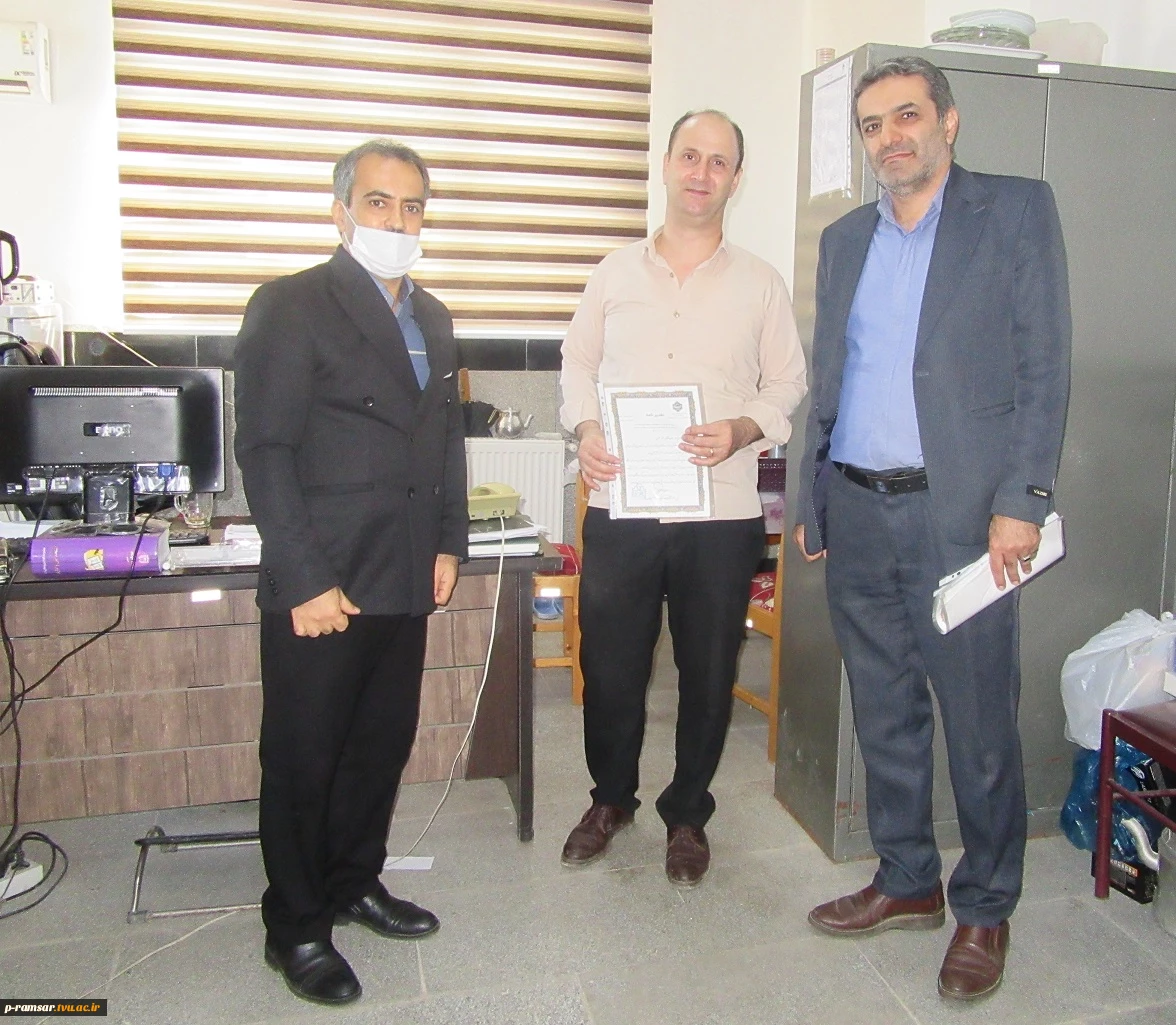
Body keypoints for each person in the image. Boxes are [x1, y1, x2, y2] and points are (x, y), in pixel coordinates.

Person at [794, 57, 1070, 1001]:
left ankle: (985, 904)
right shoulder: (845, 239)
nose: (890, 137)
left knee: (980, 719)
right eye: (873, 125)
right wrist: (813, 495)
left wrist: (1022, 499)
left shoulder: (1015, 211)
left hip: (963, 518)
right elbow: (828, 374)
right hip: (857, 508)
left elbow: (1045, 364)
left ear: (948, 121)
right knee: (883, 708)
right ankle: (907, 876)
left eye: (907, 116)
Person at [234, 139, 468, 1006]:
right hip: (323, 578)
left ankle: (354, 880)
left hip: (403, 568)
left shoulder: (434, 315)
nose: (396, 221)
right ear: (340, 212)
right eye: (378, 203)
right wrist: (303, 577)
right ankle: (296, 924)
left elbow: (443, 439)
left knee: (378, 745)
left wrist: (449, 541)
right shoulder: (291, 305)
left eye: (412, 207)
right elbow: (265, 449)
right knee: (305, 757)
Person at [559, 110, 807, 887]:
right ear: (666, 164)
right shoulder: (614, 273)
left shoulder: (761, 283)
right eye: (690, 156)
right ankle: (610, 797)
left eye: (719, 161)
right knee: (611, 665)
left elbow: (788, 382)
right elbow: (577, 363)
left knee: (707, 672)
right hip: (624, 504)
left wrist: (743, 427)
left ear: (737, 179)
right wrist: (586, 427)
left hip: (720, 513)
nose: (702, 172)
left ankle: (688, 811)